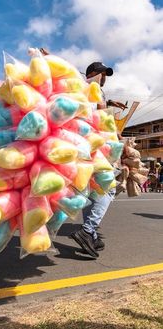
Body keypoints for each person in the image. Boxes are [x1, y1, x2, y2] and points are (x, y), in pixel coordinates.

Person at [71, 62, 127, 258]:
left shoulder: (96, 92)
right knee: (108, 188)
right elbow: (71, 71)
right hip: (94, 146)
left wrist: (110, 103)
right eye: (102, 74)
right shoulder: (85, 84)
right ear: (93, 73)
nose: (104, 78)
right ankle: (87, 231)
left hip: (89, 145)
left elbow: (100, 112)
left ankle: (91, 235)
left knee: (94, 191)